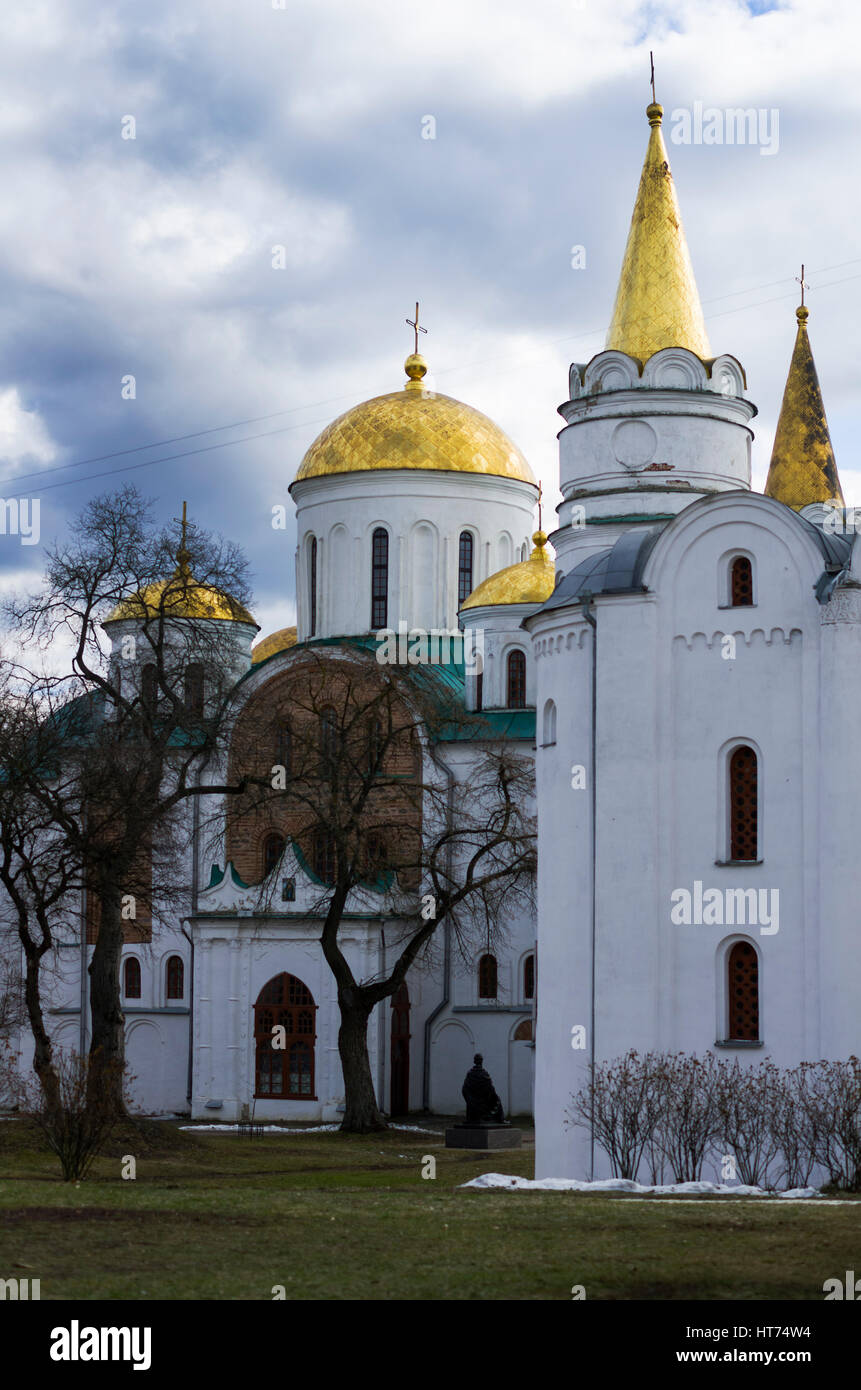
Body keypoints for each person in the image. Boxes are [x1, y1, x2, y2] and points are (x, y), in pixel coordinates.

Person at [461, 1053, 505, 1125]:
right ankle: (500, 1119)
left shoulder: (470, 1073)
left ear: (474, 1061)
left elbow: (464, 1089)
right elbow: (491, 1089)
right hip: (483, 1101)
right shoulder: (484, 1073)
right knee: (497, 1100)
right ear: (481, 1061)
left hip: (472, 1100)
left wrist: (469, 1099)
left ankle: (477, 1116)